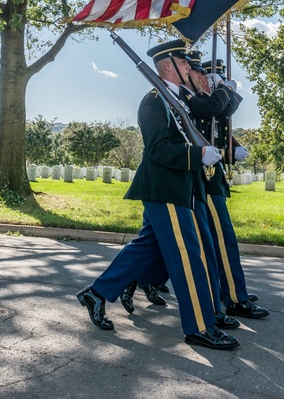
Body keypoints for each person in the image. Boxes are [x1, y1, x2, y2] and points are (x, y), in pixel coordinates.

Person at [76, 40, 239, 350]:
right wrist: (196, 155)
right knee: (189, 257)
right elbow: (158, 150)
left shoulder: (180, 99)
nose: (190, 68)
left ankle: (96, 294)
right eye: (184, 63)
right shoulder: (154, 101)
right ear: (168, 66)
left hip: (182, 189)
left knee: (148, 248)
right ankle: (201, 326)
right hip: (165, 188)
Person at [200, 58, 270, 320]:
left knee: (214, 241)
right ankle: (235, 298)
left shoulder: (211, 103)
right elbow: (217, 113)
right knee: (223, 239)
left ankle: (228, 290)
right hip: (204, 181)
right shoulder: (200, 101)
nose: (214, 83)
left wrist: (234, 146)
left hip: (213, 179)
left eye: (217, 79)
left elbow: (222, 120)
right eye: (211, 77)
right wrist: (223, 90)